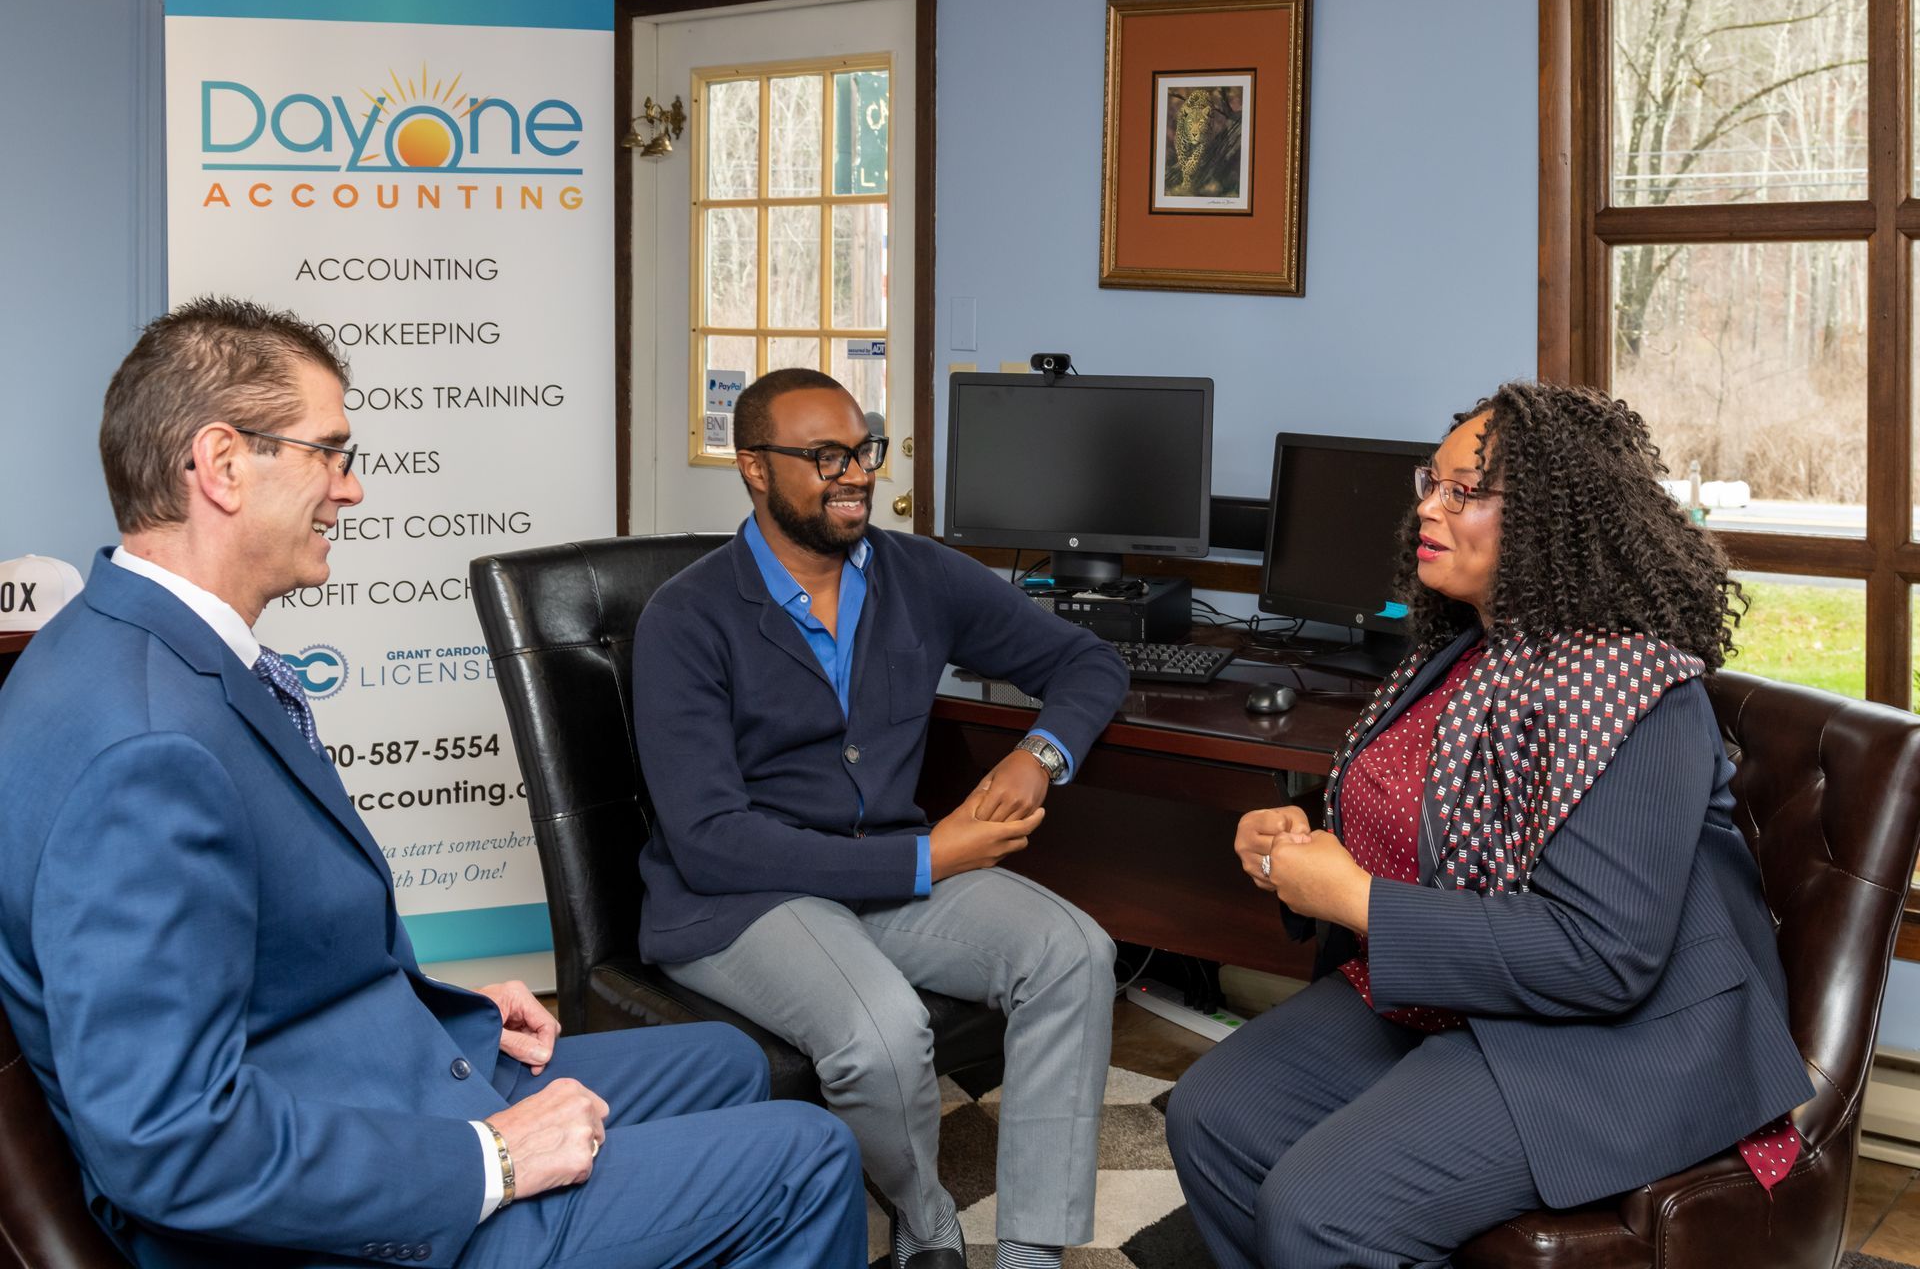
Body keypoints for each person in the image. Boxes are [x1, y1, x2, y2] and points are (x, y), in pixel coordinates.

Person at [0, 298, 867, 1268]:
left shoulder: (121, 645)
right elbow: (166, 1139)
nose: (353, 488)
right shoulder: (147, 742)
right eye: (330, 451)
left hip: (347, 1076)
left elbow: (246, 958)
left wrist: (430, 1007)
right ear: (222, 464)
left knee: (728, 1057)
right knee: (807, 1157)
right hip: (301, 1218)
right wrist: (490, 1156)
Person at [1166, 380, 1815, 1269]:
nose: (1430, 509)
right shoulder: (1467, 652)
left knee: (1320, 1211)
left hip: (1625, 1037)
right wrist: (1299, 845)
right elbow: (1430, 831)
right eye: (1429, 483)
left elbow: (1603, 955)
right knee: (1215, 1117)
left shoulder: (1632, 690)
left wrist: (1356, 899)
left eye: (1464, 493)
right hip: (1474, 994)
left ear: (1550, 517)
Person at [630, 368, 1129, 1269]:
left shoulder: (917, 572)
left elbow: (1089, 663)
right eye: (825, 456)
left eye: (862, 450)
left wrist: (1038, 755)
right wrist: (927, 860)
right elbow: (709, 838)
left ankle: (1029, 1253)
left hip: (889, 866)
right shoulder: (687, 617)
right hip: (741, 898)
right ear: (753, 467)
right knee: (884, 1035)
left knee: (1075, 952)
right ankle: (925, 1219)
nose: (854, 473)